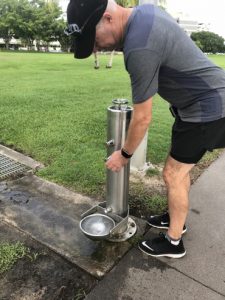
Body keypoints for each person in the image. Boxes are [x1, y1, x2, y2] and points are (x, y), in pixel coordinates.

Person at [65, 0, 225, 258]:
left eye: (94, 41)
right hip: (198, 107)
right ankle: (175, 216)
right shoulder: (146, 12)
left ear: (107, 18)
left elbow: (142, 118)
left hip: (209, 111)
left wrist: (124, 154)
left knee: (173, 174)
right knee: (176, 171)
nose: (97, 47)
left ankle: (174, 242)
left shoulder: (139, 46)